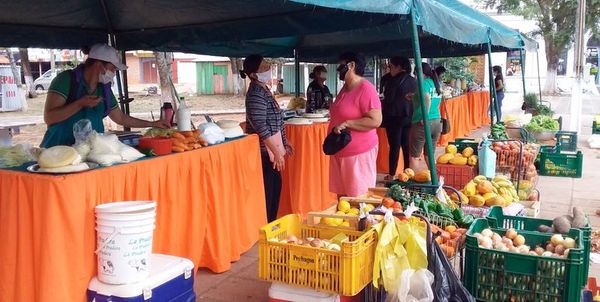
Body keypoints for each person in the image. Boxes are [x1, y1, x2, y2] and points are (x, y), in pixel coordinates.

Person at [41, 44, 167, 148]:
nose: (113, 73)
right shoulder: (66, 80)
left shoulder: (104, 89)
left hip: (88, 154)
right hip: (57, 151)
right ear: (99, 65)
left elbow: (120, 118)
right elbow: (50, 118)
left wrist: (153, 123)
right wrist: (80, 103)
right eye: (113, 69)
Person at [241, 54, 291, 222]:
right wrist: (277, 151)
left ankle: (271, 223)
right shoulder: (255, 93)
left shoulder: (264, 90)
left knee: (275, 188)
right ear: (253, 74)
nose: (268, 69)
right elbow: (260, 125)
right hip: (264, 153)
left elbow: (276, 119)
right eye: (264, 67)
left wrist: (284, 143)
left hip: (272, 150)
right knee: (268, 191)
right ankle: (267, 226)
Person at [329, 52, 382, 197]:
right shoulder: (345, 88)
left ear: (351, 66)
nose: (338, 69)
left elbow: (375, 120)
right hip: (340, 151)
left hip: (358, 154)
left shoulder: (366, 89)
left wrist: (347, 123)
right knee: (344, 201)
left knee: (359, 199)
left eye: (341, 65)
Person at [382, 56, 416, 180]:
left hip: (394, 117)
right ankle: (407, 172)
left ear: (398, 67)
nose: (389, 69)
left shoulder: (392, 80)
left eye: (391, 66)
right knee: (406, 145)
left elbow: (388, 98)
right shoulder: (413, 80)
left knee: (394, 147)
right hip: (408, 116)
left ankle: (392, 174)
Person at [409, 62, 442, 170]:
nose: (415, 77)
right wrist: (414, 96)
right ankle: (435, 180)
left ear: (422, 73)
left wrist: (425, 116)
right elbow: (433, 98)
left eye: (416, 74)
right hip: (436, 121)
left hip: (422, 122)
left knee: (414, 156)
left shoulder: (423, 84)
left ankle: (414, 184)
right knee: (429, 154)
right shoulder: (435, 83)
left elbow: (427, 98)